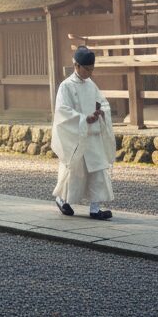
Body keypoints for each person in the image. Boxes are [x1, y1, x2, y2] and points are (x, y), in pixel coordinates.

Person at [51, 46, 115, 219]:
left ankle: (95, 208)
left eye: (92, 69)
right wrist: (83, 118)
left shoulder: (91, 85)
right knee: (74, 172)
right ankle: (62, 199)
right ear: (76, 65)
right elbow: (63, 111)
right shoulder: (66, 86)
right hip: (76, 136)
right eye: (87, 69)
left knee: (98, 171)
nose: (89, 73)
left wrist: (101, 113)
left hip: (92, 134)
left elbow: (103, 103)